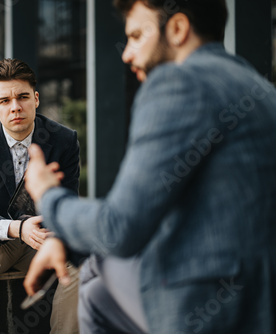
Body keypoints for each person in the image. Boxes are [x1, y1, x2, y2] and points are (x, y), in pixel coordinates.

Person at [23, 0, 276, 333]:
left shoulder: (178, 83)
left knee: (99, 267)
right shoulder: (261, 90)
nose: (127, 54)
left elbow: (120, 228)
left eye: (137, 35)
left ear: (177, 29)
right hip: (261, 302)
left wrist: (48, 196)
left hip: (207, 307)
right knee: (97, 291)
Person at [0, 58, 80, 334]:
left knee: (79, 255)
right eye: (4, 101)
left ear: (36, 99)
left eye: (23, 97)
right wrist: (18, 228)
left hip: (42, 238)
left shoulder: (64, 140)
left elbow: (68, 203)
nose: (15, 107)